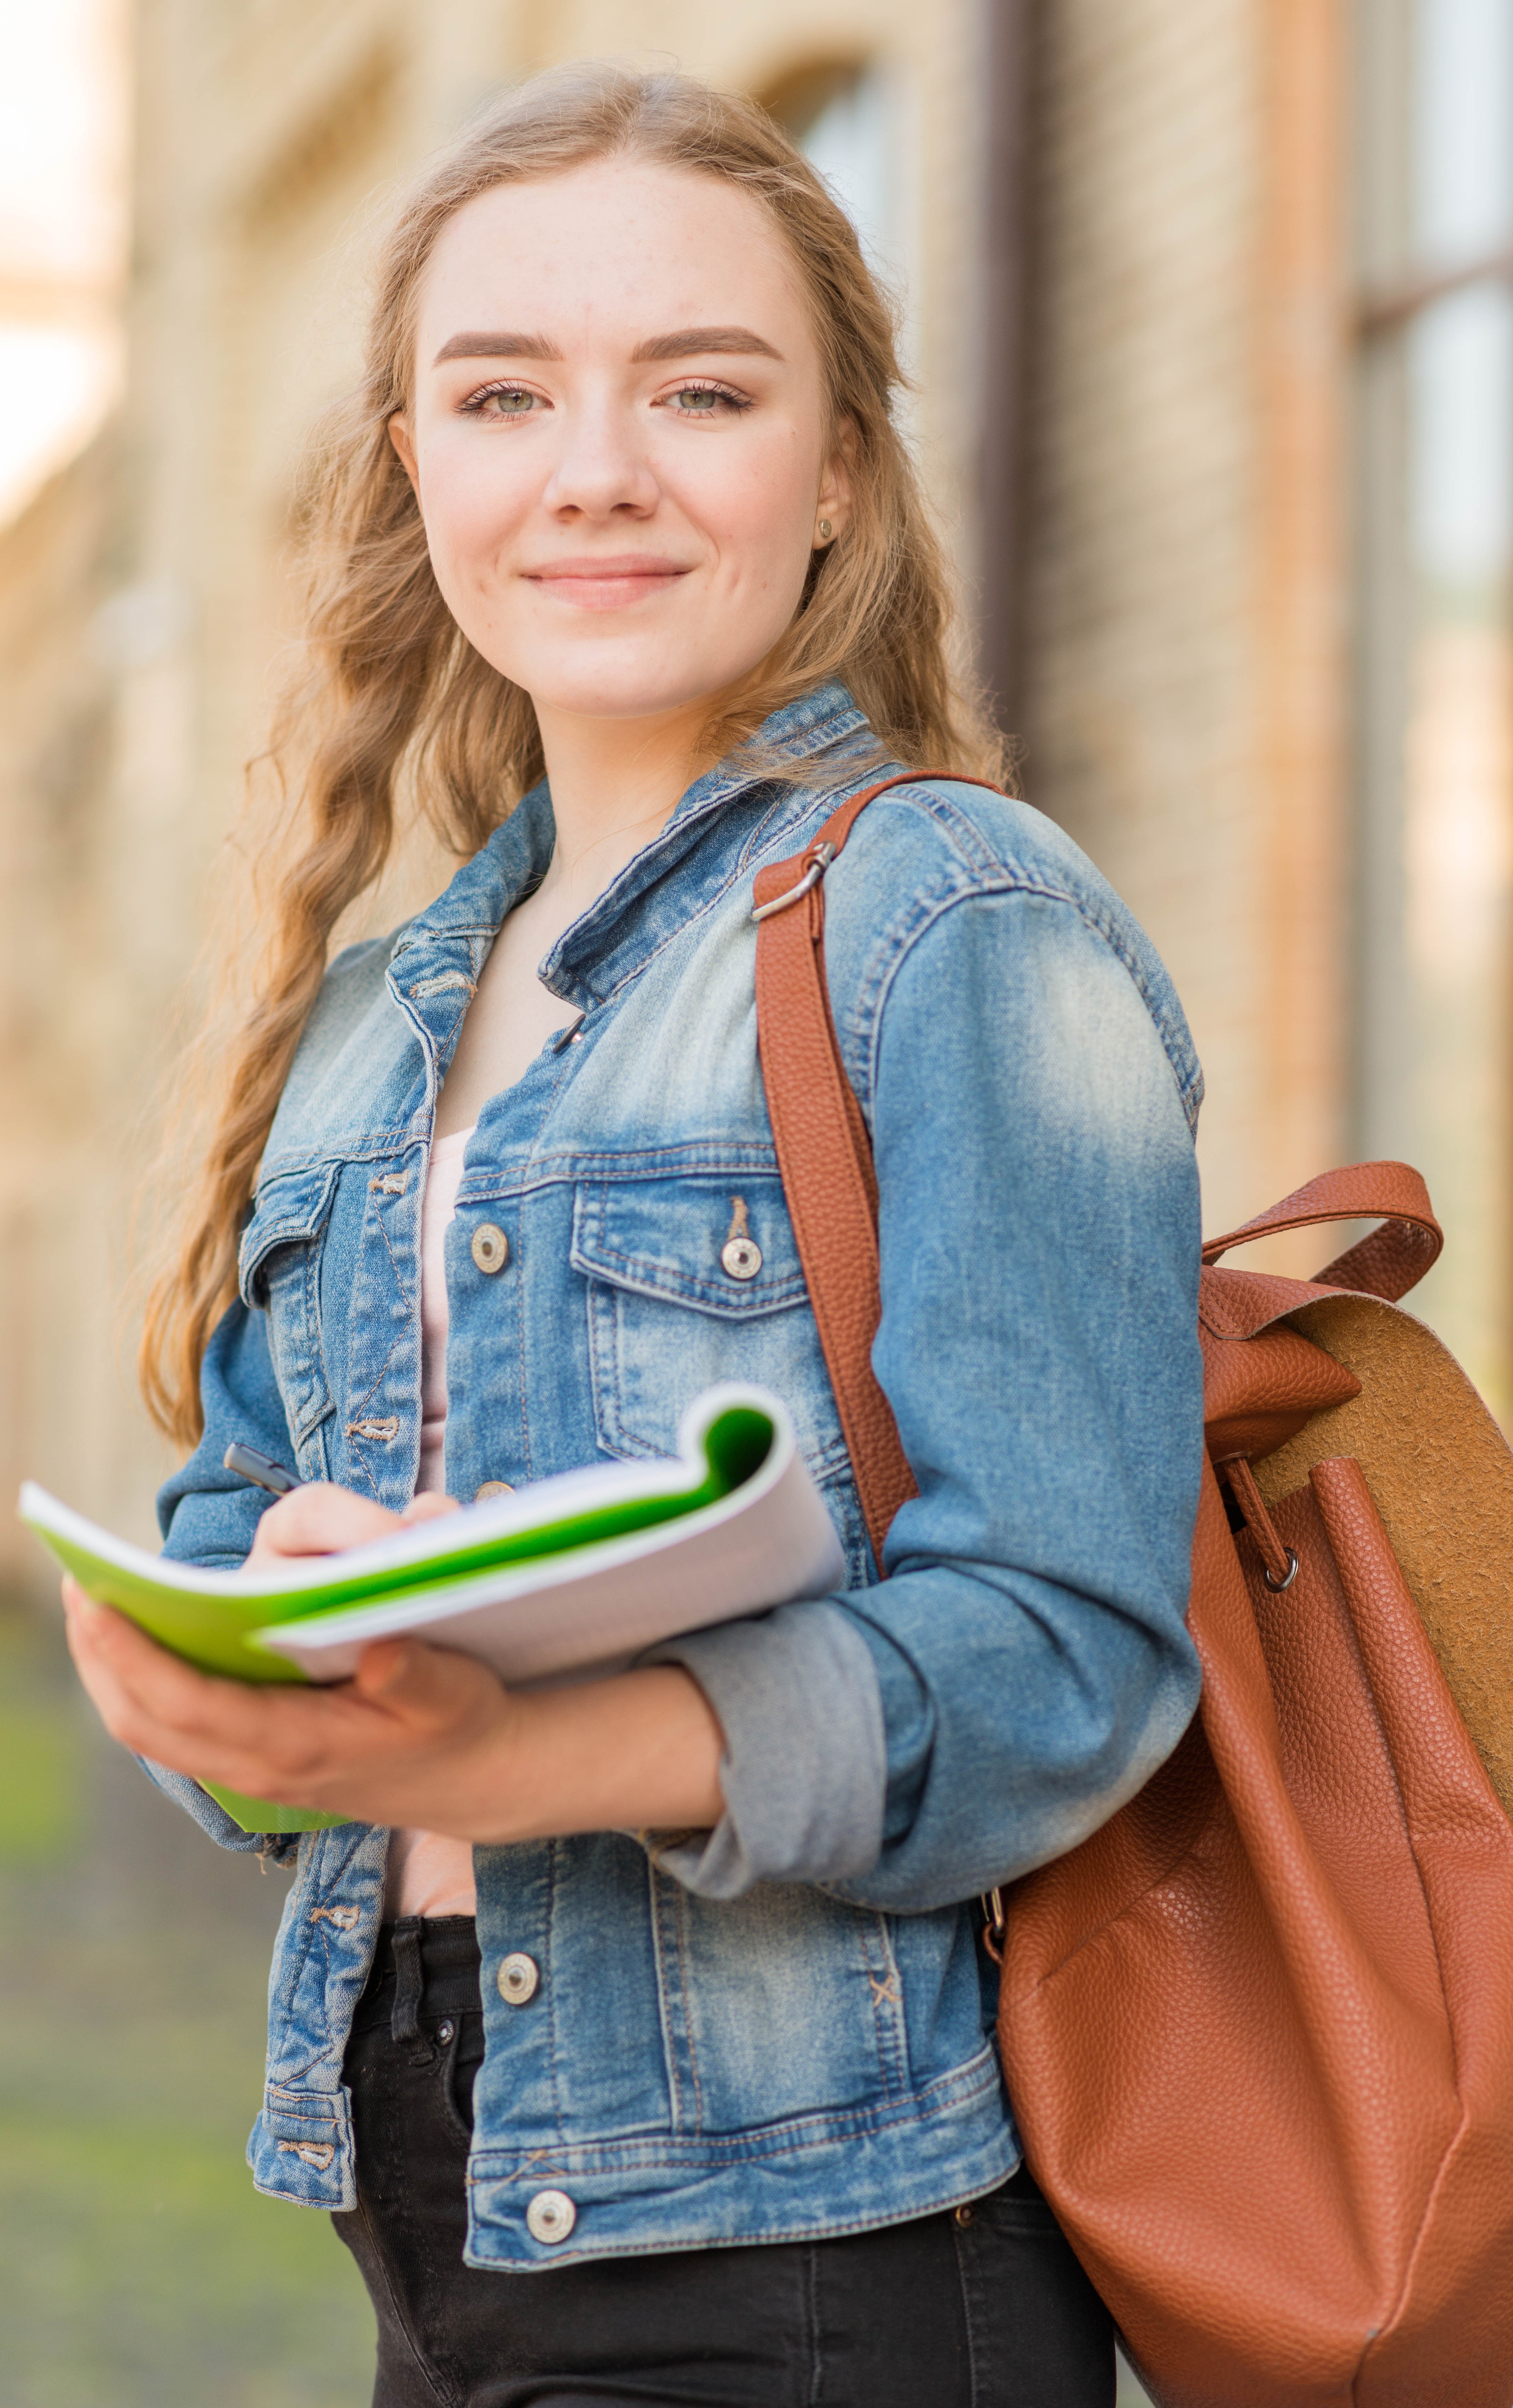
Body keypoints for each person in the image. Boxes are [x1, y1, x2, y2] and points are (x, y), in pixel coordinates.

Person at [61, 63, 1205, 2408]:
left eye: (702, 387)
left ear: (841, 473)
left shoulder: (952, 921)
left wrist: (526, 1752)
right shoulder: (379, 1016)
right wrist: (234, 1675)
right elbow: (231, 1523)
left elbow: (1070, 1651)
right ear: (416, 464)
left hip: (818, 2243)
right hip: (432, 2196)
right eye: (505, 394)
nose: (596, 467)